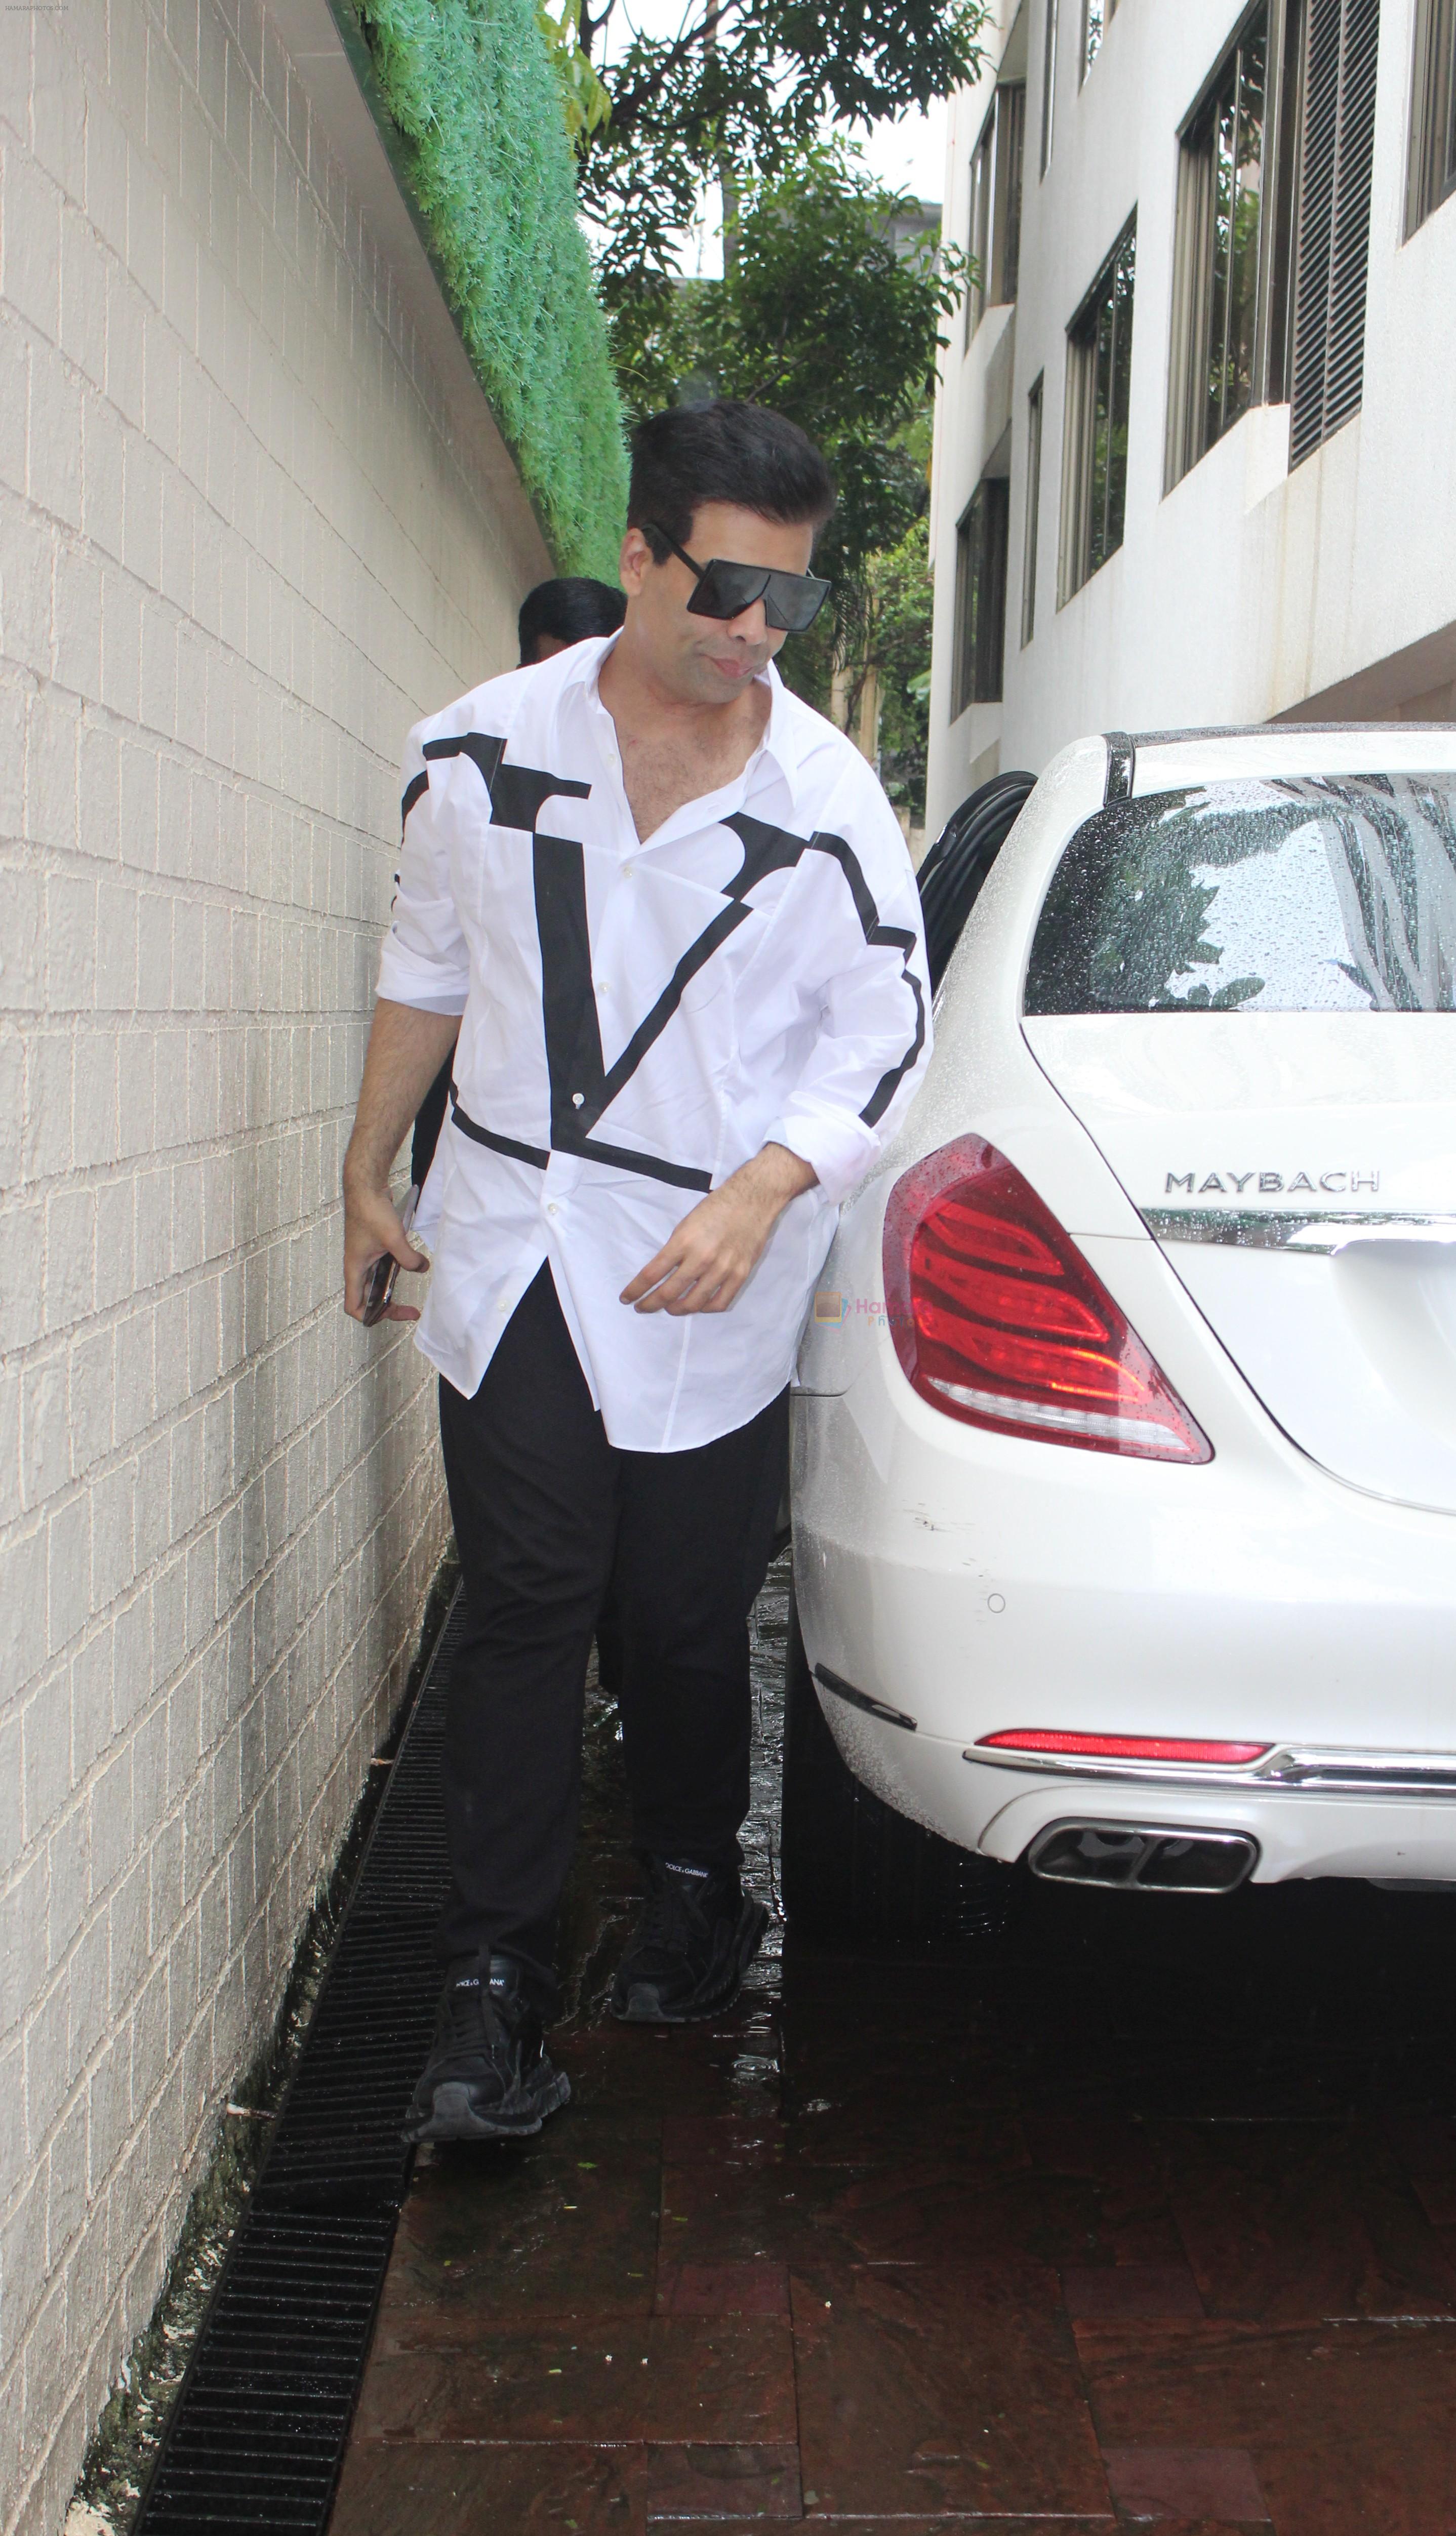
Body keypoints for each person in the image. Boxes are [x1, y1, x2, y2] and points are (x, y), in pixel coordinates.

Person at [340, 401, 932, 2142]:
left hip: (709, 1263)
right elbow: (426, 964)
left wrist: (766, 1189)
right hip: (515, 1231)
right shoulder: (474, 752)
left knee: (678, 1620)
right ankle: (492, 1983)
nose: (756, 634)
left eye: (791, 605)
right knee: (529, 1594)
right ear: (641, 557)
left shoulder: (824, 802)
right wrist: (367, 1165)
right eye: (728, 589)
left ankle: (691, 1875)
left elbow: (885, 1032)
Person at [408, 575, 629, 1201]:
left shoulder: (650, 786)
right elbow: (432, 956)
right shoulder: (477, 763)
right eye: (552, 663)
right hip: (486, 1039)